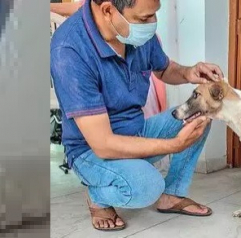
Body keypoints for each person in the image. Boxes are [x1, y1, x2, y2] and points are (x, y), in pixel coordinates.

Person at [50, 0, 224, 231]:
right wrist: (174, 145)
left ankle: (171, 195)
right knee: (146, 187)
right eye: (144, 19)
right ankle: (98, 196)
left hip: (136, 130)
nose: (153, 23)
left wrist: (188, 72)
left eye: (154, 15)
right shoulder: (69, 49)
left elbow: (163, 69)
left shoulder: (134, 32)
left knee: (201, 114)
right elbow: (103, 144)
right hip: (91, 151)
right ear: (108, 10)